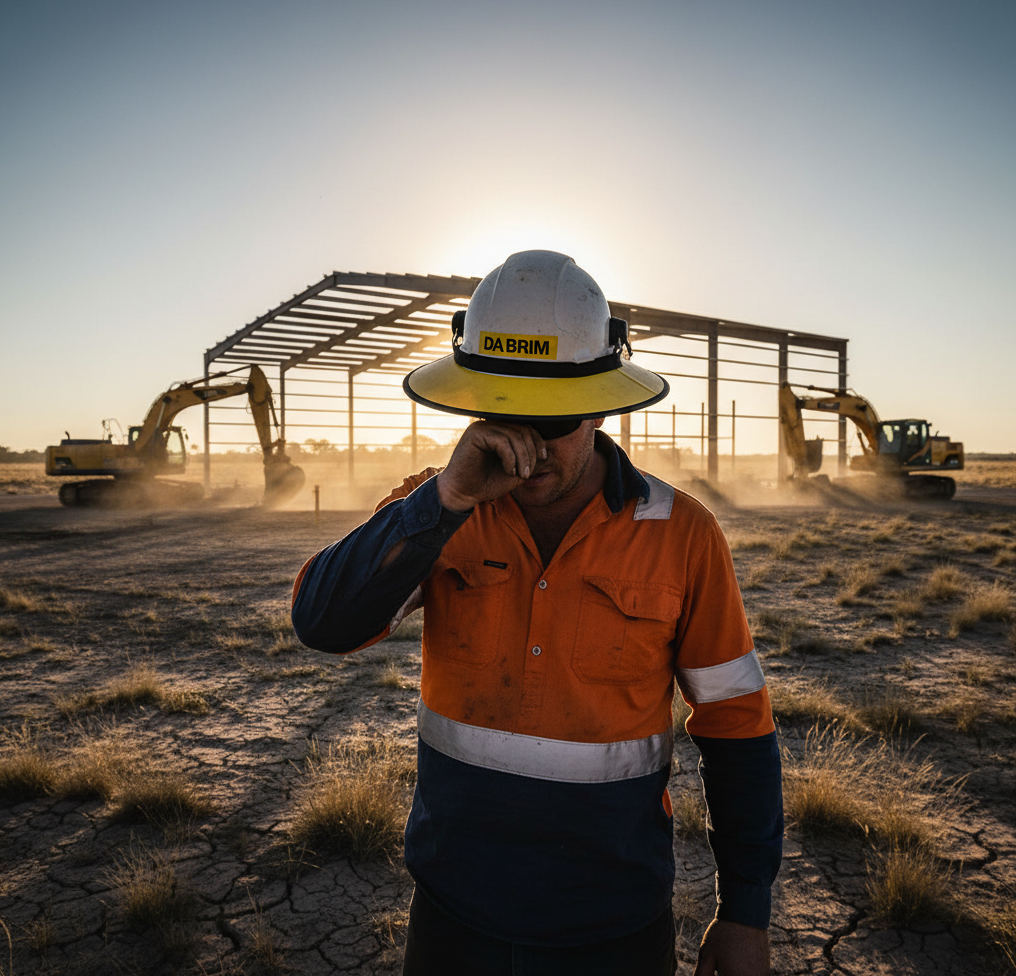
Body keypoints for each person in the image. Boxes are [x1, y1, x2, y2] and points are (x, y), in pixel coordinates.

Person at [292, 250, 783, 976]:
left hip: (614, 925)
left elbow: (738, 729)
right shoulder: (434, 508)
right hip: (453, 916)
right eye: (502, 409)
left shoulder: (683, 535)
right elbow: (322, 622)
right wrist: (442, 503)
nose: (529, 446)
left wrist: (744, 911)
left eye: (553, 416)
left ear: (604, 402)